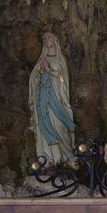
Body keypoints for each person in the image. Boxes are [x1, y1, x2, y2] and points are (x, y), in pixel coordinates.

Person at [29, 32, 75, 164]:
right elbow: (33, 79)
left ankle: (65, 156)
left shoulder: (60, 60)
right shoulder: (41, 61)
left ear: (55, 40)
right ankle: (49, 158)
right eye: (44, 38)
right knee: (43, 126)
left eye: (49, 37)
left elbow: (64, 80)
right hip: (43, 101)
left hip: (57, 100)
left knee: (60, 126)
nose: (46, 40)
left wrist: (51, 72)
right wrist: (40, 71)